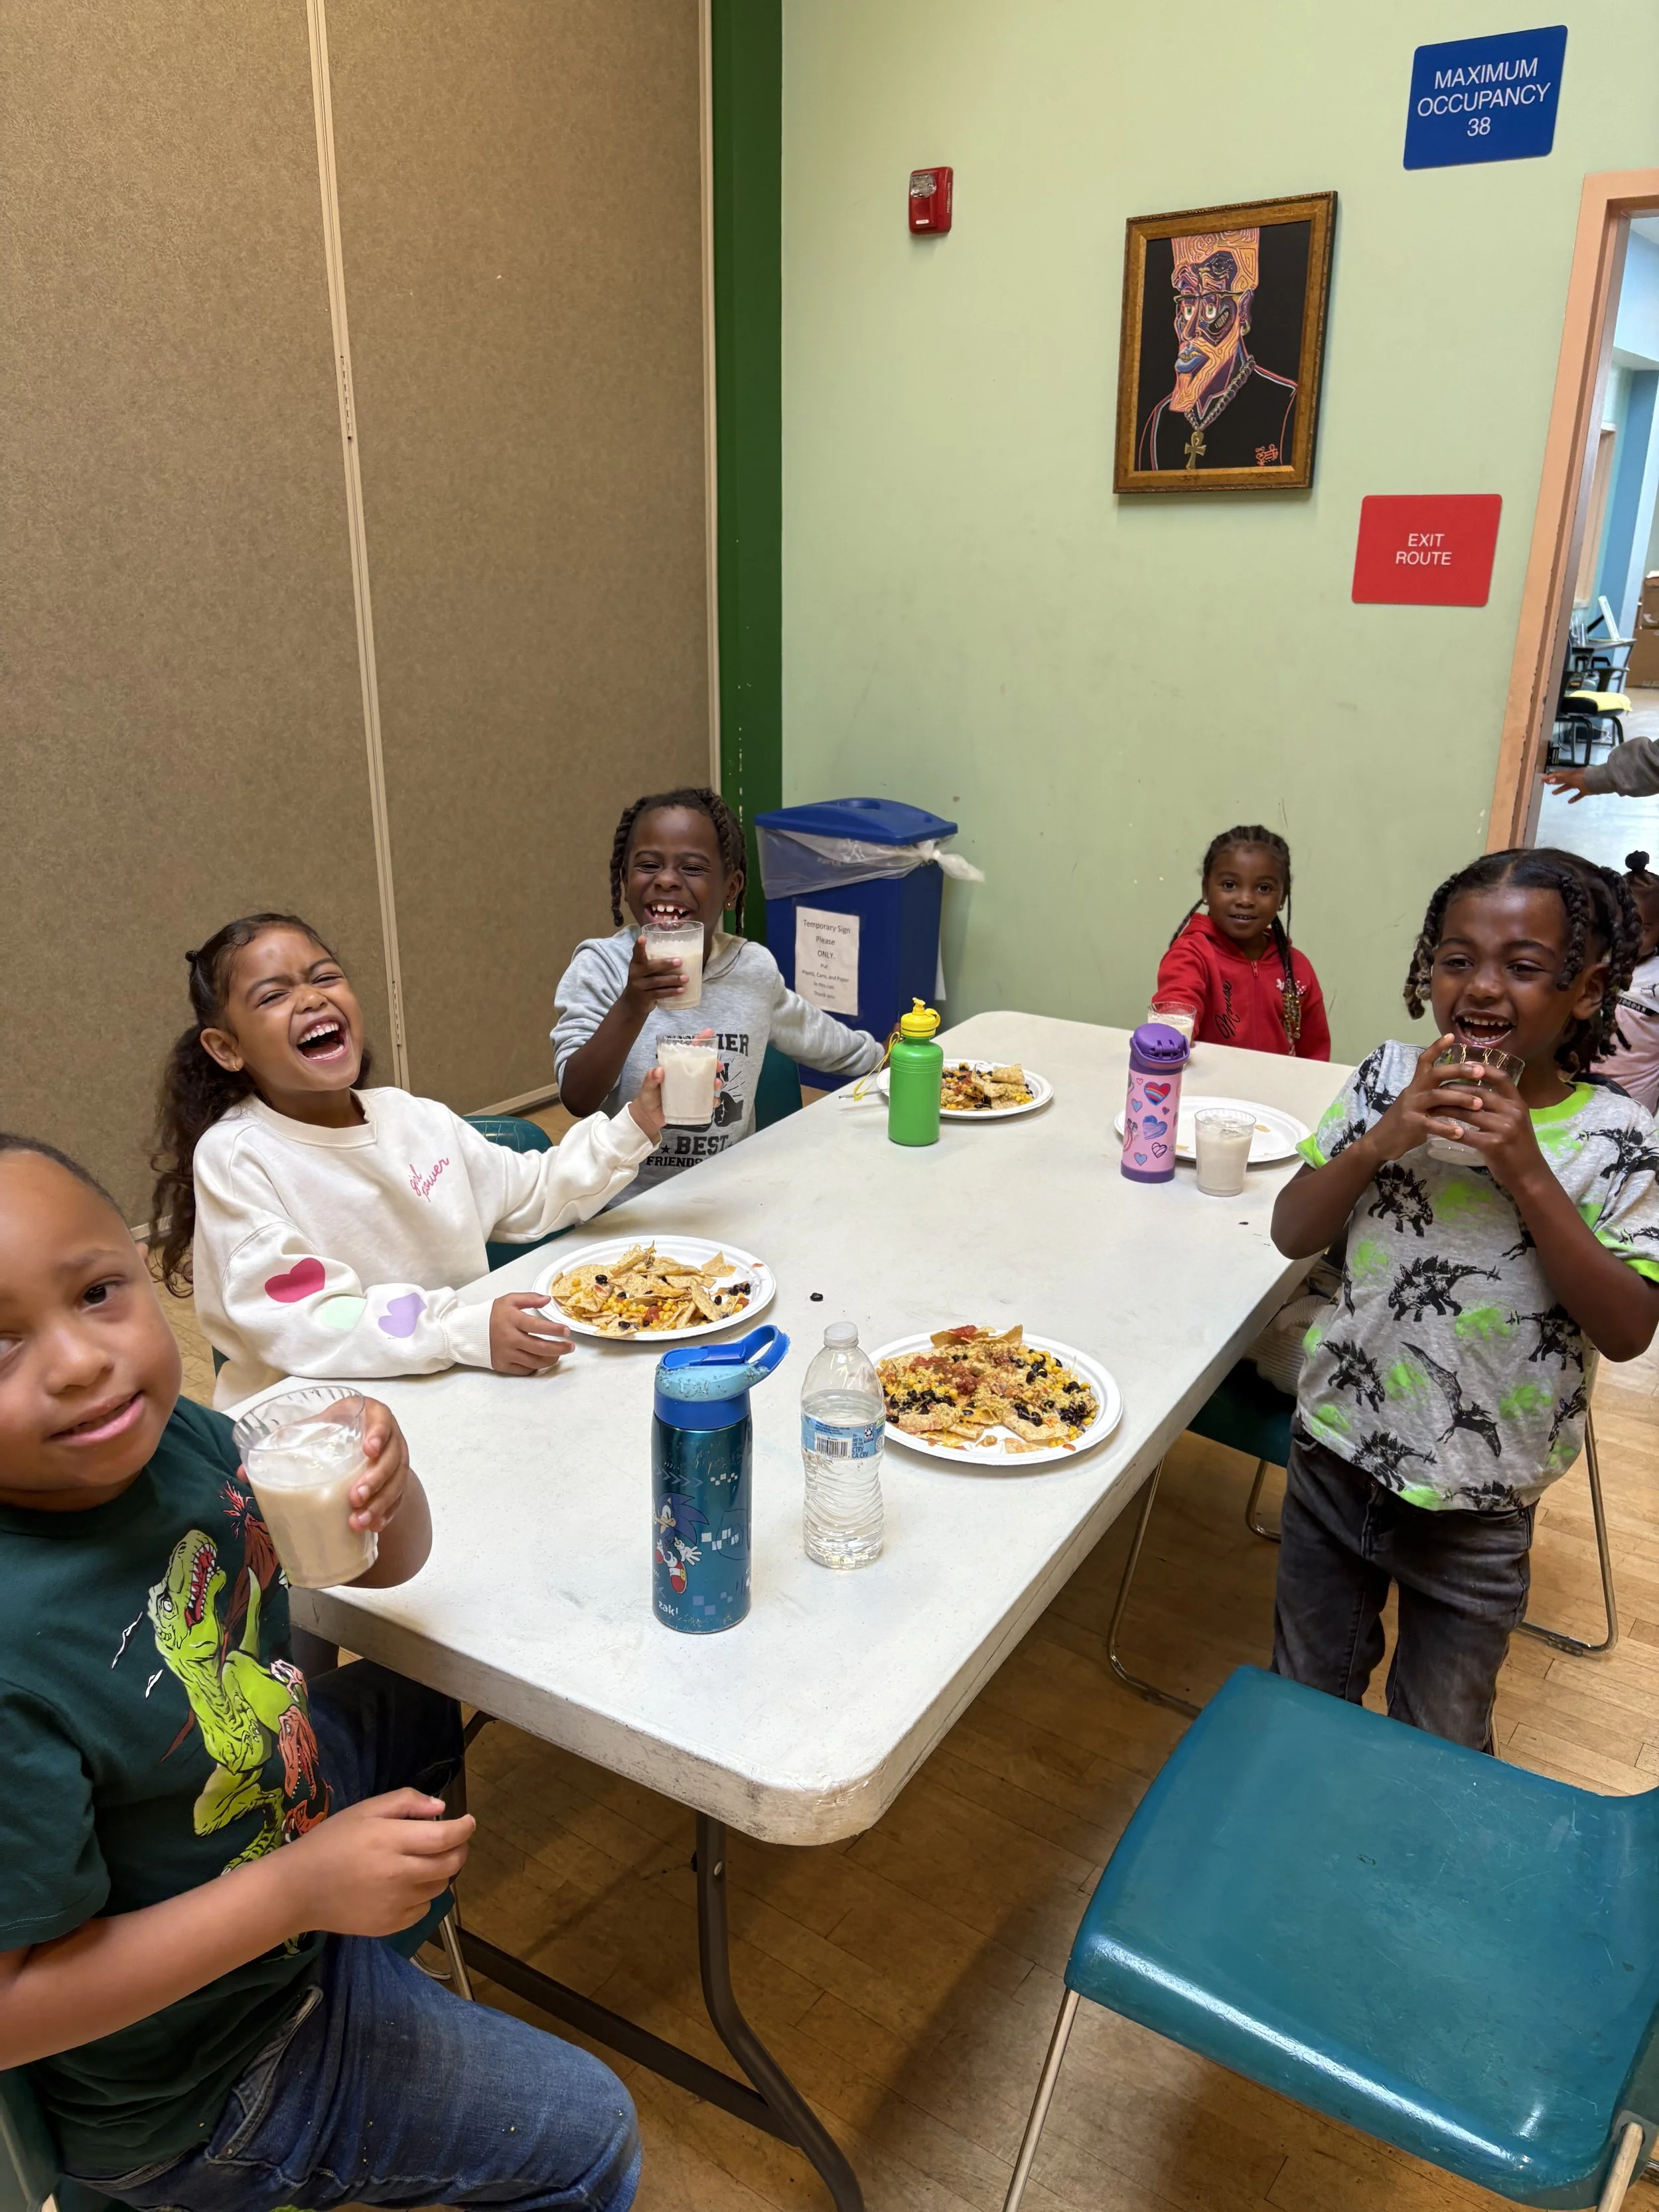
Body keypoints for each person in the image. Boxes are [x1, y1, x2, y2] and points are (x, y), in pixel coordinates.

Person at [0, 1134, 640, 2212]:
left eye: (98, 1290)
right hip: (208, 2078)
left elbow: (392, 1563)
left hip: (268, 1844)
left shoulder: (181, 1445)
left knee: (417, 1693)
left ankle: (372, 1957)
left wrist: (391, 1476)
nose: (76, 1360)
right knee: (589, 2135)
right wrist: (298, 1891)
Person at [1269, 847, 1659, 1749]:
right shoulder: (1384, 1079)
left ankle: (1412, 1866)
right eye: (1457, 959)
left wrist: (1525, 1167)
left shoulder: (1618, 1141)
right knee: (1302, 1697)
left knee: (1440, 1735)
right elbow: (1293, 1230)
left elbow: (1630, 1328)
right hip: (1336, 1457)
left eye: (1522, 967)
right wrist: (1381, 1137)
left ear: (1587, 990)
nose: (1482, 988)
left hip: (1480, 1502)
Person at [152, 913, 666, 1409]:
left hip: (453, 1386)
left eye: (325, 976)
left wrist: (634, 1125)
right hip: (317, 1426)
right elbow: (310, 1319)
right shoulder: (237, 1157)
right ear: (226, 1047)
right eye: (273, 995)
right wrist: (454, 1331)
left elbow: (533, 1193)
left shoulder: (411, 1118)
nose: (311, 998)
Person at [554, 786, 883, 1193]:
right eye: (648, 864)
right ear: (624, 879)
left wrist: (889, 1058)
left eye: (692, 868)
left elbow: (822, 1037)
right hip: (623, 1208)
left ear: (731, 889)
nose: (668, 880)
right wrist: (633, 1005)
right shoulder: (600, 967)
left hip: (728, 1198)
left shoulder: (753, 969)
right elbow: (577, 1098)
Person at [1155, 824, 1331, 1058]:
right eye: (1229, 885)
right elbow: (1178, 1000)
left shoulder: (1297, 967)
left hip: (1276, 1092)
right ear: (1206, 891)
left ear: (1282, 899)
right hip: (1209, 1091)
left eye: (1264, 888)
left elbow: (1315, 1053)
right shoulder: (1192, 953)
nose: (1246, 899)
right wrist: (1173, 1029)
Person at [1135, 229, 1299, 474]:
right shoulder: (1160, 420)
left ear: (1243, 310)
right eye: (1188, 307)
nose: (1190, 331)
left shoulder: (1286, 406)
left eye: (1210, 308)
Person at [1593, 852, 1659, 1112]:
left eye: (1643, 929)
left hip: (1634, 1101)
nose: (1627, 937)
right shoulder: (1589, 965)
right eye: (1617, 925)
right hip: (1578, 1091)